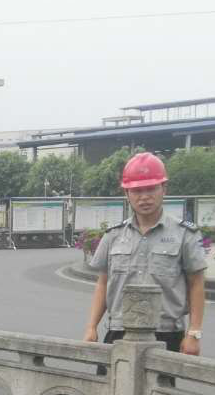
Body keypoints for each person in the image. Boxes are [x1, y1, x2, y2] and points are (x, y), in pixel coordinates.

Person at [82, 152, 206, 355]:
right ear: (127, 194)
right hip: (119, 330)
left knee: (159, 388)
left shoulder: (184, 234)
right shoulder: (113, 235)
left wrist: (194, 333)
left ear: (164, 189)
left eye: (151, 189)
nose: (144, 197)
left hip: (166, 333)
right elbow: (103, 283)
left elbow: (196, 284)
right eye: (137, 191)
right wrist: (91, 327)